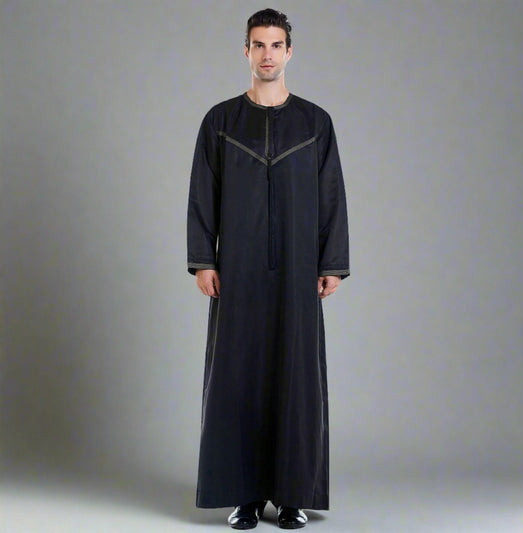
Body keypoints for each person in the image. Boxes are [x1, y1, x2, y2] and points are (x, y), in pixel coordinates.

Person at [187, 8, 349, 530]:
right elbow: (202, 195)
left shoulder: (315, 123)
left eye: (276, 45)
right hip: (237, 270)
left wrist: (331, 262)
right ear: (246, 51)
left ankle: (293, 495)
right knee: (238, 377)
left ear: (289, 52)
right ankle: (246, 497)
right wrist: (204, 260)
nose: (267, 54)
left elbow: (331, 196)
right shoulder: (220, 122)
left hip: (299, 270)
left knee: (296, 378)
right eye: (258, 45)